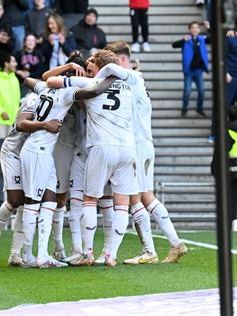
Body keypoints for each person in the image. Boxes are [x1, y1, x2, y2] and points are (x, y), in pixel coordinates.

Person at [94, 42, 188, 264]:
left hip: (136, 145)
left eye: (114, 61)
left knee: (139, 198)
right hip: (144, 143)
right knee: (144, 196)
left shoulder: (131, 79)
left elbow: (111, 74)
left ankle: (158, 248)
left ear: (122, 61)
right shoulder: (136, 81)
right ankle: (167, 245)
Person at [19, 55, 116, 268]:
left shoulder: (45, 87)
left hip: (51, 150)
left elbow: (31, 79)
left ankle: (47, 252)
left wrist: (69, 67)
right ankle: (28, 255)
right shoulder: (68, 92)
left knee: (52, 201)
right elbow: (93, 92)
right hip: (42, 150)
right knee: (35, 203)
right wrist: (115, 73)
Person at [0, 92, 61, 266]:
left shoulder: (62, 99)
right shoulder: (35, 98)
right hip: (13, 151)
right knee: (15, 200)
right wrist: (45, 125)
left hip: (33, 154)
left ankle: (15, 253)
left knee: (28, 200)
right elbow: (21, 124)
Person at [172, 21, 210, 118]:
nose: (194, 30)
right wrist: (183, 40)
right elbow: (174, 45)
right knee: (187, 91)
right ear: (189, 30)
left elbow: (212, 39)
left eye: (197, 28)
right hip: (189, 71)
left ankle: (199, 109)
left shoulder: (201, 39)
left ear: (199, 30)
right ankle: (184, 109)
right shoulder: (186, 40)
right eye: (192, 28)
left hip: (198, 71)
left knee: (202, 91)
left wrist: (209, 28)